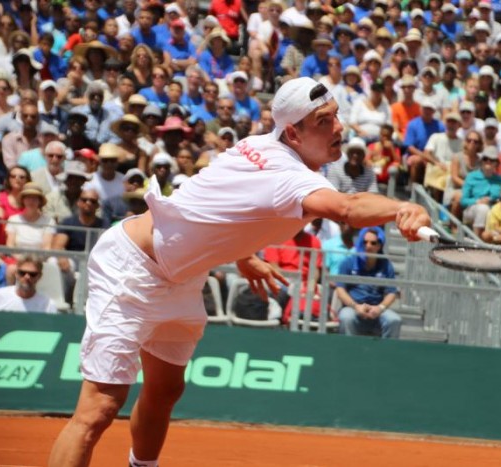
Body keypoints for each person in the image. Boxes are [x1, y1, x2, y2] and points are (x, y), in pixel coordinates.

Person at [48, 78, 430, 467]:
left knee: (165, 389)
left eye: (336, 117)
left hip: (180, 277)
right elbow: (347, 208)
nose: (339, 129)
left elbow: (222, 202)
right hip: (132, 270)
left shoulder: (263, 144)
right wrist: (402, 209)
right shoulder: (287, 174)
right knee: (99, 409)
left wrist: (245, 255)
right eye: (324, 121)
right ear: (294, 133)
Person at [336, 226, 401, 338]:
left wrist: (380, 308)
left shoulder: (386, 264)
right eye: (364, 242)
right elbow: (340, 289)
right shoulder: (348, 262)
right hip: (353, 307)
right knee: (346, 317)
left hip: (377, 309)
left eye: (373, 243)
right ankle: (348, 351)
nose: (368, 246)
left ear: (380, 245)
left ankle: (388, 353)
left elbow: (392, 293)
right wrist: (356, 306)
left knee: (394, 320)